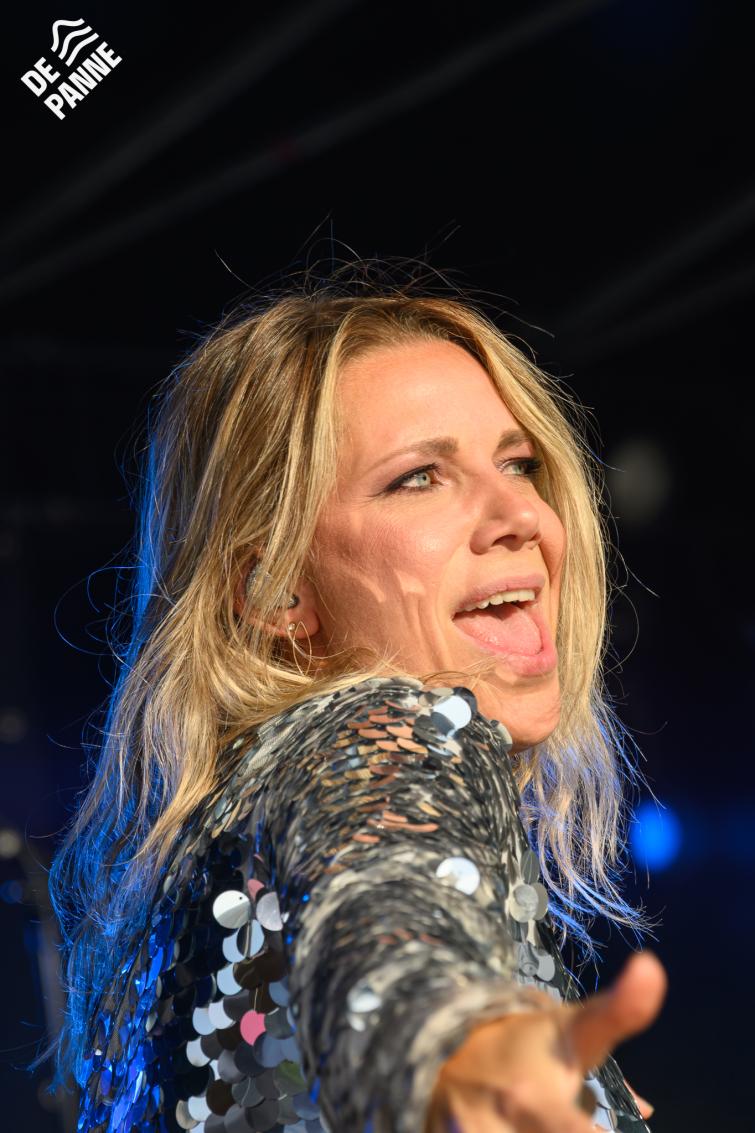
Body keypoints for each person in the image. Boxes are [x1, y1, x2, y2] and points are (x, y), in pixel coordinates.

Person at [49, 267, 667, 1133]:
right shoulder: (380, 731)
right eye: (418, 477)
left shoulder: (232, 833)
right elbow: (387, 906)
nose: (519, 513)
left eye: (517, 462)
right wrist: (447, 1050)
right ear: (274, 590)